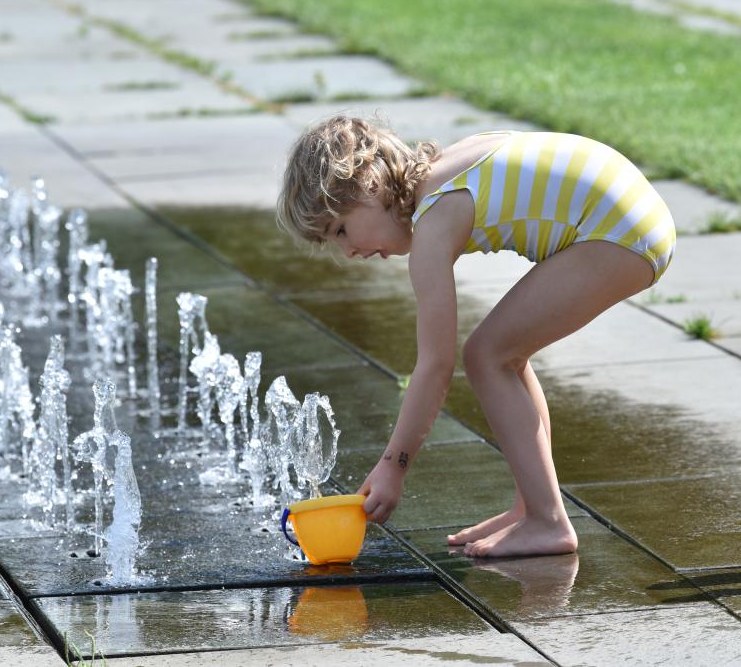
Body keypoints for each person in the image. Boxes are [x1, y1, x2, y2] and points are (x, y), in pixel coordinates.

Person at [276, 115, 676, 558]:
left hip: (619, 231)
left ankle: (547, 522)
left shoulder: (433, 221)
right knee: (505, 354)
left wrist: (394, 465)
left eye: (340, 230)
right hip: (632, 214)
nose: (348, 252)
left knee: (487, 355)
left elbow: (434, 366)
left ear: (369, 182)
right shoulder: (446, 169)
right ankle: (532, 506)